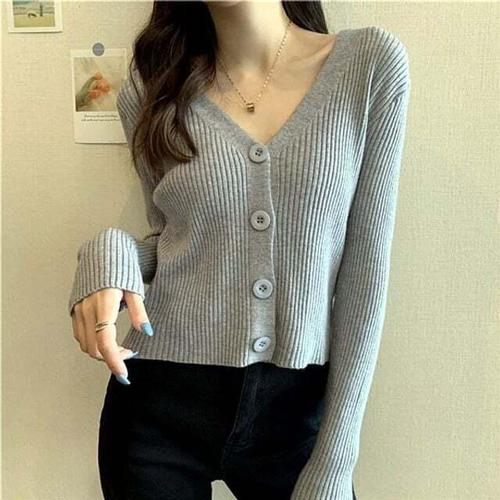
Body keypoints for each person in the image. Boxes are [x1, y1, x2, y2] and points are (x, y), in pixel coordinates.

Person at [68, 1, 411, 499]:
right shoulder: (151, 87)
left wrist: (335, 461)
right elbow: (173, 239)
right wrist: (107, 253)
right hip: (156, 409)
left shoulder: (368, 64)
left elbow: (366, 274)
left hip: (295, 419)